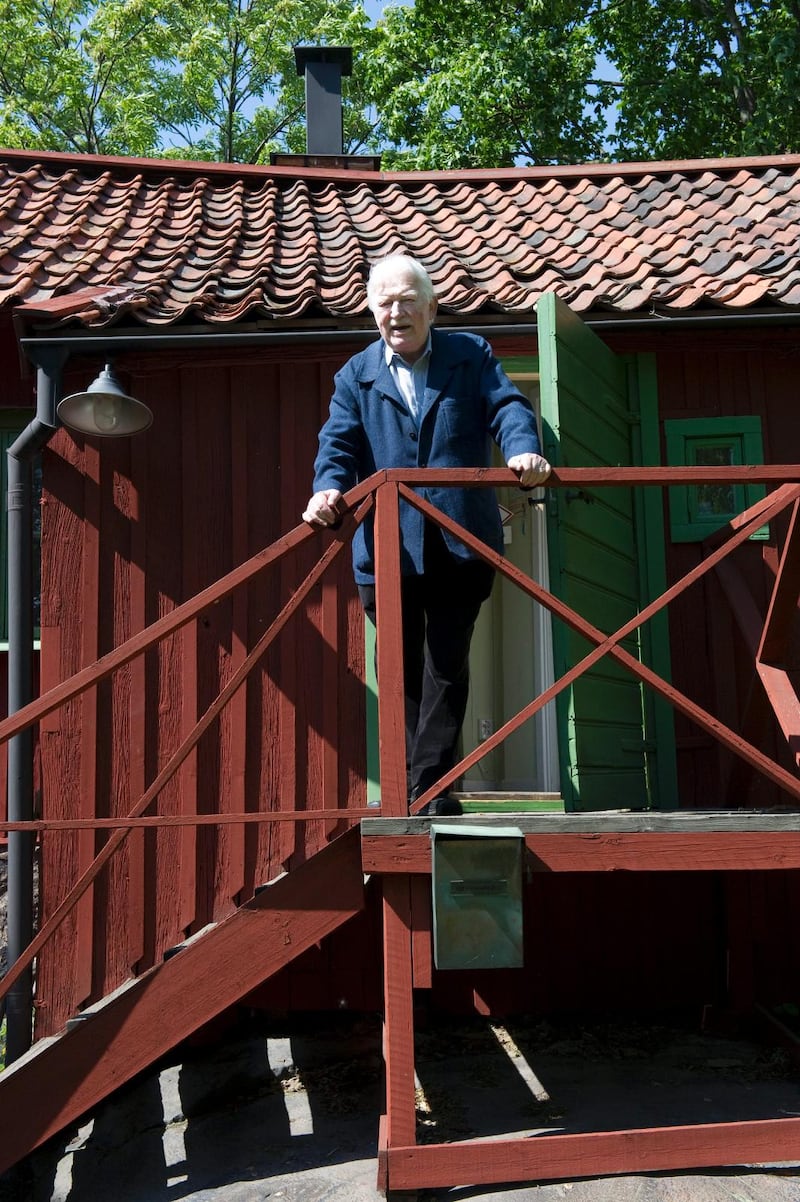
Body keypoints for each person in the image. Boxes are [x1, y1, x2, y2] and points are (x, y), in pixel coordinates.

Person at [303, 254, 550, 815]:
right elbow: (337, 444)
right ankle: (425, 788)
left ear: (432, 307)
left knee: (446, 661)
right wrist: (326, 489)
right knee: (402, 668)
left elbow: (507, 406)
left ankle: (428, 791)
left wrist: (521, 448)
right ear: (371, 309)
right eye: (385, 302)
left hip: (462, 541)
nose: (397, 312)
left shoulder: (470, 354)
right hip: (387, 548)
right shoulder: (355, 375)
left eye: (407, 300)